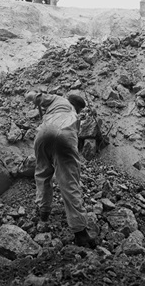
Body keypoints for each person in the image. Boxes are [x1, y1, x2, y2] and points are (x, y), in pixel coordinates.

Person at [25, 90, 98, 248]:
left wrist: (31, 95)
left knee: (42, 173)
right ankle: (80, 233)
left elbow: (33, 96)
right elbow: (71, 140)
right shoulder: (75, 118)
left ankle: (43, 213)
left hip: (43, 134)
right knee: (68, 182)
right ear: (78, 109)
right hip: (65, 135)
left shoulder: (56, 100)